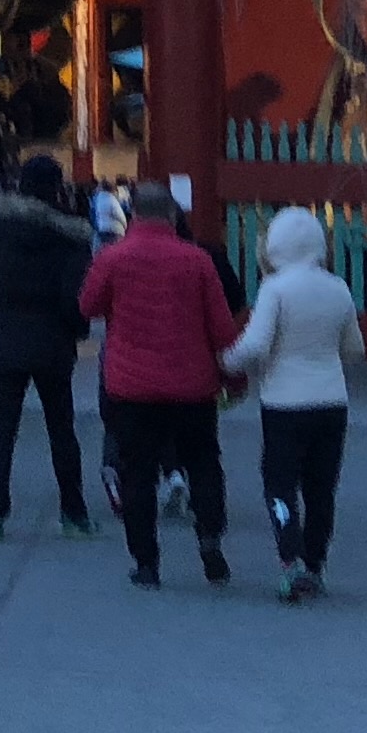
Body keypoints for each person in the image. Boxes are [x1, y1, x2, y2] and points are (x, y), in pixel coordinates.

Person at [81, 184, 240, 589]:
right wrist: (233, 376)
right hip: (192, 385)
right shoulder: (197, 261)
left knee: (138, 473)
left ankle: (146, 562)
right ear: (172, 216)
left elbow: (88, 305)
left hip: (132, 386)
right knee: (203, 462)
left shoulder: (114, 258)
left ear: (133, 216)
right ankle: (209, 538)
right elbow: (222, 326)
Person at [224, 204, 367, 600]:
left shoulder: (275, 289)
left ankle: (290, 558)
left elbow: (255, 346)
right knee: (321, 489)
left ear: (276, 245)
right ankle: (316, 564)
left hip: (284, 405)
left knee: (279, 485)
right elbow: (355, 349)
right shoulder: (338, 288)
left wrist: (227, 361)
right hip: (332, 402)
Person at [0, 155, 96, 542]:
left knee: (2, 428)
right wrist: (75, 329)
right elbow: (77, 296)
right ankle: (73, 512)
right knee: (62, 429)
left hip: (8, 336)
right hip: (53, 342)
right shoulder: (70, 237)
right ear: (57, 188)